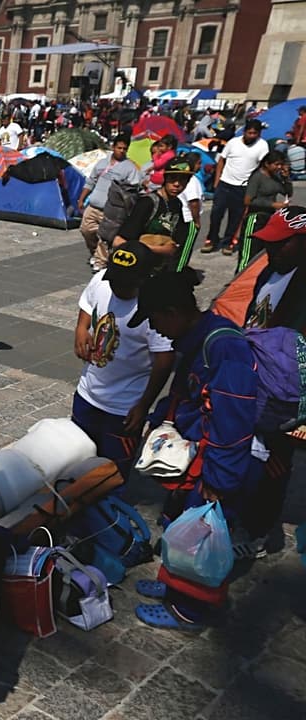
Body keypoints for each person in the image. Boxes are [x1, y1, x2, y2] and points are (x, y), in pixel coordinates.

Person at [130, 269, 259, 630]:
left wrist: (219, 479)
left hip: (213, 466)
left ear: (173, 312)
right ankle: (173, 585)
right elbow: (186, 394)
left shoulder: (224, 348)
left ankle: (189, 610)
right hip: (195, 458)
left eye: (154, 320)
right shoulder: (195, 340)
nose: (154, 330)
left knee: (199, 539)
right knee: (179, 527)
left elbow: (234, 421)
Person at [71, 240, 175, 479]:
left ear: (143, 278)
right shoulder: (103, 280)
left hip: (123, 410)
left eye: (125, 284)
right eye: (114, 280)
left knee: (111, 473)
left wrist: (143, 405)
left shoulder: (153, 308)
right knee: (77, 462)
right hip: (87, 395)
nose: (117, 287)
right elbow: (87, 302)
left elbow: (163, 361)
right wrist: (81, 328)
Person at [236, 208, 306, 558]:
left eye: (280, 244)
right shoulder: (269, 272)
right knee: (249, 457)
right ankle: (242, 518)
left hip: (286, 396)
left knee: (275, 464)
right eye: (267, 244)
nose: (271, 251)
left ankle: (263, 531)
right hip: (256, 383)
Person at [202, 119, 269, 255]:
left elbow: (263, 167)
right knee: (216, 214)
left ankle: (228, 242)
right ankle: (212, 239)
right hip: (225, 184)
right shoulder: (233, 143)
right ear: (244, 132)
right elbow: (222, 161)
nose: (252, 136)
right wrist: (217, 181)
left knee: (236, 217)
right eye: (249, 133)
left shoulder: (262, 146)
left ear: (259, 133)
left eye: (255, 133)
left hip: (243, 187)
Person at [77, 134, 141, 271]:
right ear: (113, 147)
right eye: (119, 148)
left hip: (112, 210)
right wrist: (81, 199)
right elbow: (91, 181)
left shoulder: (130, 168)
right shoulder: (102, 163)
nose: (122, 151)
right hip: (93, 205)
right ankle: (95, 252)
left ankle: (101, 262)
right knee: (86, 230)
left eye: (125, 148)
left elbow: (134, 189)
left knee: (105, 237)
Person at [113, 159, 192, 263]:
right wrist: (159, 250)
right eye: (172, 179)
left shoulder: (177, 204)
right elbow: (119, 241)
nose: (177, 184)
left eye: (182, 180)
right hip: (137, 264)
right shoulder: (148, 203)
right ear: (165, 178)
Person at [236, 150, 293, 272]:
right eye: (276, 164)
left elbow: (287, 192)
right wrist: (272, 204)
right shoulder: (257, 177)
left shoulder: (275, 177)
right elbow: (247, 200)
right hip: (255, 218)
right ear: (267, 164)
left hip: (269, 219)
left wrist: (286, 178)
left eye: (280, 165)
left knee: (261, 253)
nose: (279, 167)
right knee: (248, 253)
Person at [174, 152, 205, 272]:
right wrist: (197, 221)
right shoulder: (192, 181)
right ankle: (178, 273)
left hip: (181, 218)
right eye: (199, 163)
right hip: (188, 221)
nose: (200, 166)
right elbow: (194, 203)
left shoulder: (182, 178)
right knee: (184, 251)